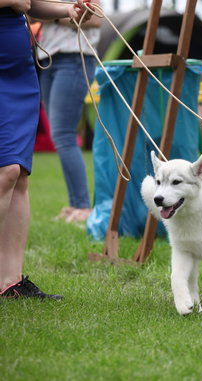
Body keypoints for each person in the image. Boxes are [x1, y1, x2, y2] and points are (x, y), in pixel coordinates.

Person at [0, 0, 92, 299]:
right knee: (7, 170)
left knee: (19, 173)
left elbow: (29, 2)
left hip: (19, 69)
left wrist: (65, 10)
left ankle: (10, 283)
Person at [38, 0, 101, 223]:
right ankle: (76, 203)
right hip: (47, 59)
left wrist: (52, 15)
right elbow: (29, 14)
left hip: (75, 58)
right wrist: (61, 15)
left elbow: (94, 19)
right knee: (60, 134)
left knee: (63, 134)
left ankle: (82, 206)